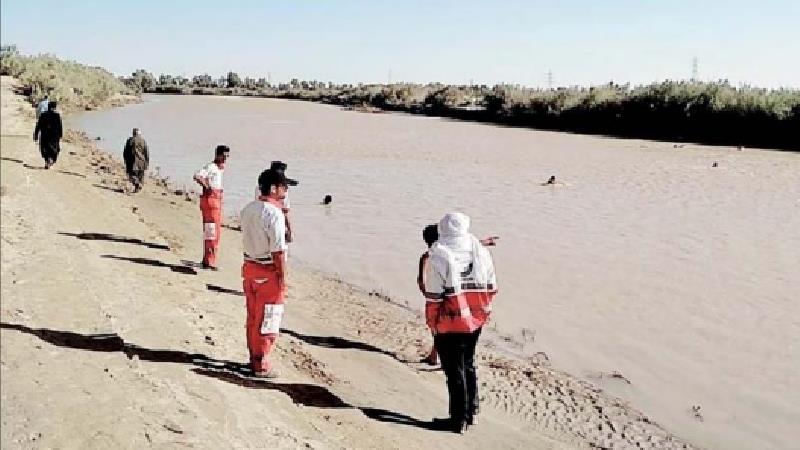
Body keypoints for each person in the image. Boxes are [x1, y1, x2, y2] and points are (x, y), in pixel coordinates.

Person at [424, 212, 497, 433]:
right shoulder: (479, 252)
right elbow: (492, 287)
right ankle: (471, 411)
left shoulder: (438, 256)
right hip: (476, 318)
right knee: (468, 363)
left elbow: (434, 297)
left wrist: (433, 323)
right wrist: (480, 310)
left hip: (450, 321)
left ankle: (458, 420)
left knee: (454, 370)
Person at [240, 169, 290, 378]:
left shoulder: (248, 209)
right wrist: (283, 277)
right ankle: (260, 364)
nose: (285, 191)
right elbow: (277, 251)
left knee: (253, 316)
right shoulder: (273, 213)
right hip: (267, 270)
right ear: (273, 188)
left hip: (250, 267)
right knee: (268, 318)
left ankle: (254, 357)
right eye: (283, 187)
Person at [193, 145, 230, 269]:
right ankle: (210, 261)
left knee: (211, 231)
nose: (225, 159)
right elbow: (198, 175)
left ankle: (207, 259)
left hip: (215, 201)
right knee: (212, 232)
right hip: (211, 201)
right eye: (224, 156)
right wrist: (207, 187)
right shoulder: (212, 167)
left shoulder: (219, 169)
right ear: (218, 155)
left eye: (227, 156)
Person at [267, 161, 298, 243]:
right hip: (276, 224)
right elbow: (285, 212)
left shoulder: (260, 187)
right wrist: (290, 231)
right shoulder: (284, 190)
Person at [33, 101, 63, 169]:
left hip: (44, 135)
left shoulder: (43, 115)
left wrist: (36, 134)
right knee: (54, 149)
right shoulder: (57, 115)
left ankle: (47, 161)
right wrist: (60, 135)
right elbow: (60, 126)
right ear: (55, 107)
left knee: (44, 148)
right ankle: (51, 160)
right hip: (54, 136)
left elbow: (38, 125)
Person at [122, 128, 149, 193]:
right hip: (142, 161)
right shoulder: (143, 141)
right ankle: (138, 187)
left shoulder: (130, 140)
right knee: (140, 176)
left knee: (131, 175)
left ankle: (137, 185)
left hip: (132, 161)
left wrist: (125, 160)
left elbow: (125, 151)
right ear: (139, 133)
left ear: (133, 133)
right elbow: (147, 152)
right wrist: (147, 162)